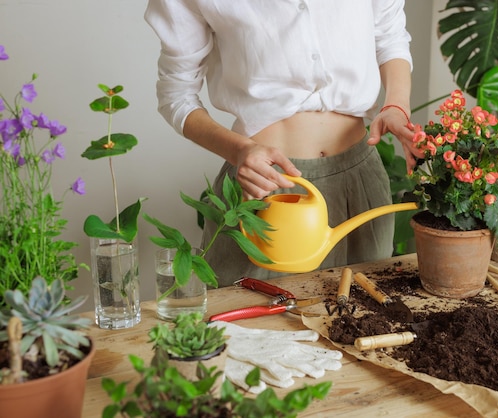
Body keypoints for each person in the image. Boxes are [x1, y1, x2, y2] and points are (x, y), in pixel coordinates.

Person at [145, 1, 417, 287]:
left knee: (364, 318)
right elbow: (176, 94)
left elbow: (390, 37)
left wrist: (396, 106)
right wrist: (239, 151)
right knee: (246, 326)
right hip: (264, 187)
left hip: (359, 182)